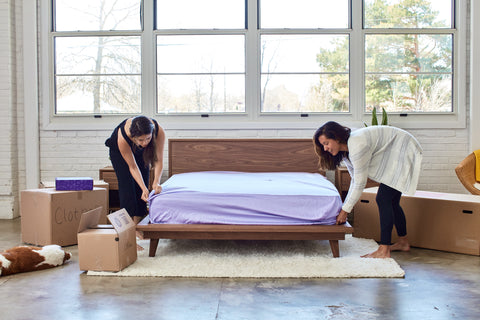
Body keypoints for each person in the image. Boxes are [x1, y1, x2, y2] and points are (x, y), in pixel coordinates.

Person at [313, 121, 423, 258]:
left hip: (403, 148)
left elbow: (360, 182)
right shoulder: (346, 152)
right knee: (392, 202)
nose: (325, 149)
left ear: (337, 137)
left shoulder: (357, 144)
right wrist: (345, 208)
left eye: (326, 143)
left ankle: (384, 249)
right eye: (323, 145)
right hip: (395, 152)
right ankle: (403, 242)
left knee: (383, 199)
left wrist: (345, 210)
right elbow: (355, 179)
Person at [105, 116, 165, 226]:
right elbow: (132, 167)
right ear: (133, 137)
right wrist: (143, 188)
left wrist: (156, 182)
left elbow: (158, 160)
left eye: (148, 138)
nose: (145, 142)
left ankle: (138, 225)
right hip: (118, 152)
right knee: (127, 184)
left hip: (139, 150)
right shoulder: (123, 137)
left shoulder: (158, 130)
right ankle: (128, 227)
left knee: (144, 181)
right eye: (141, 140)